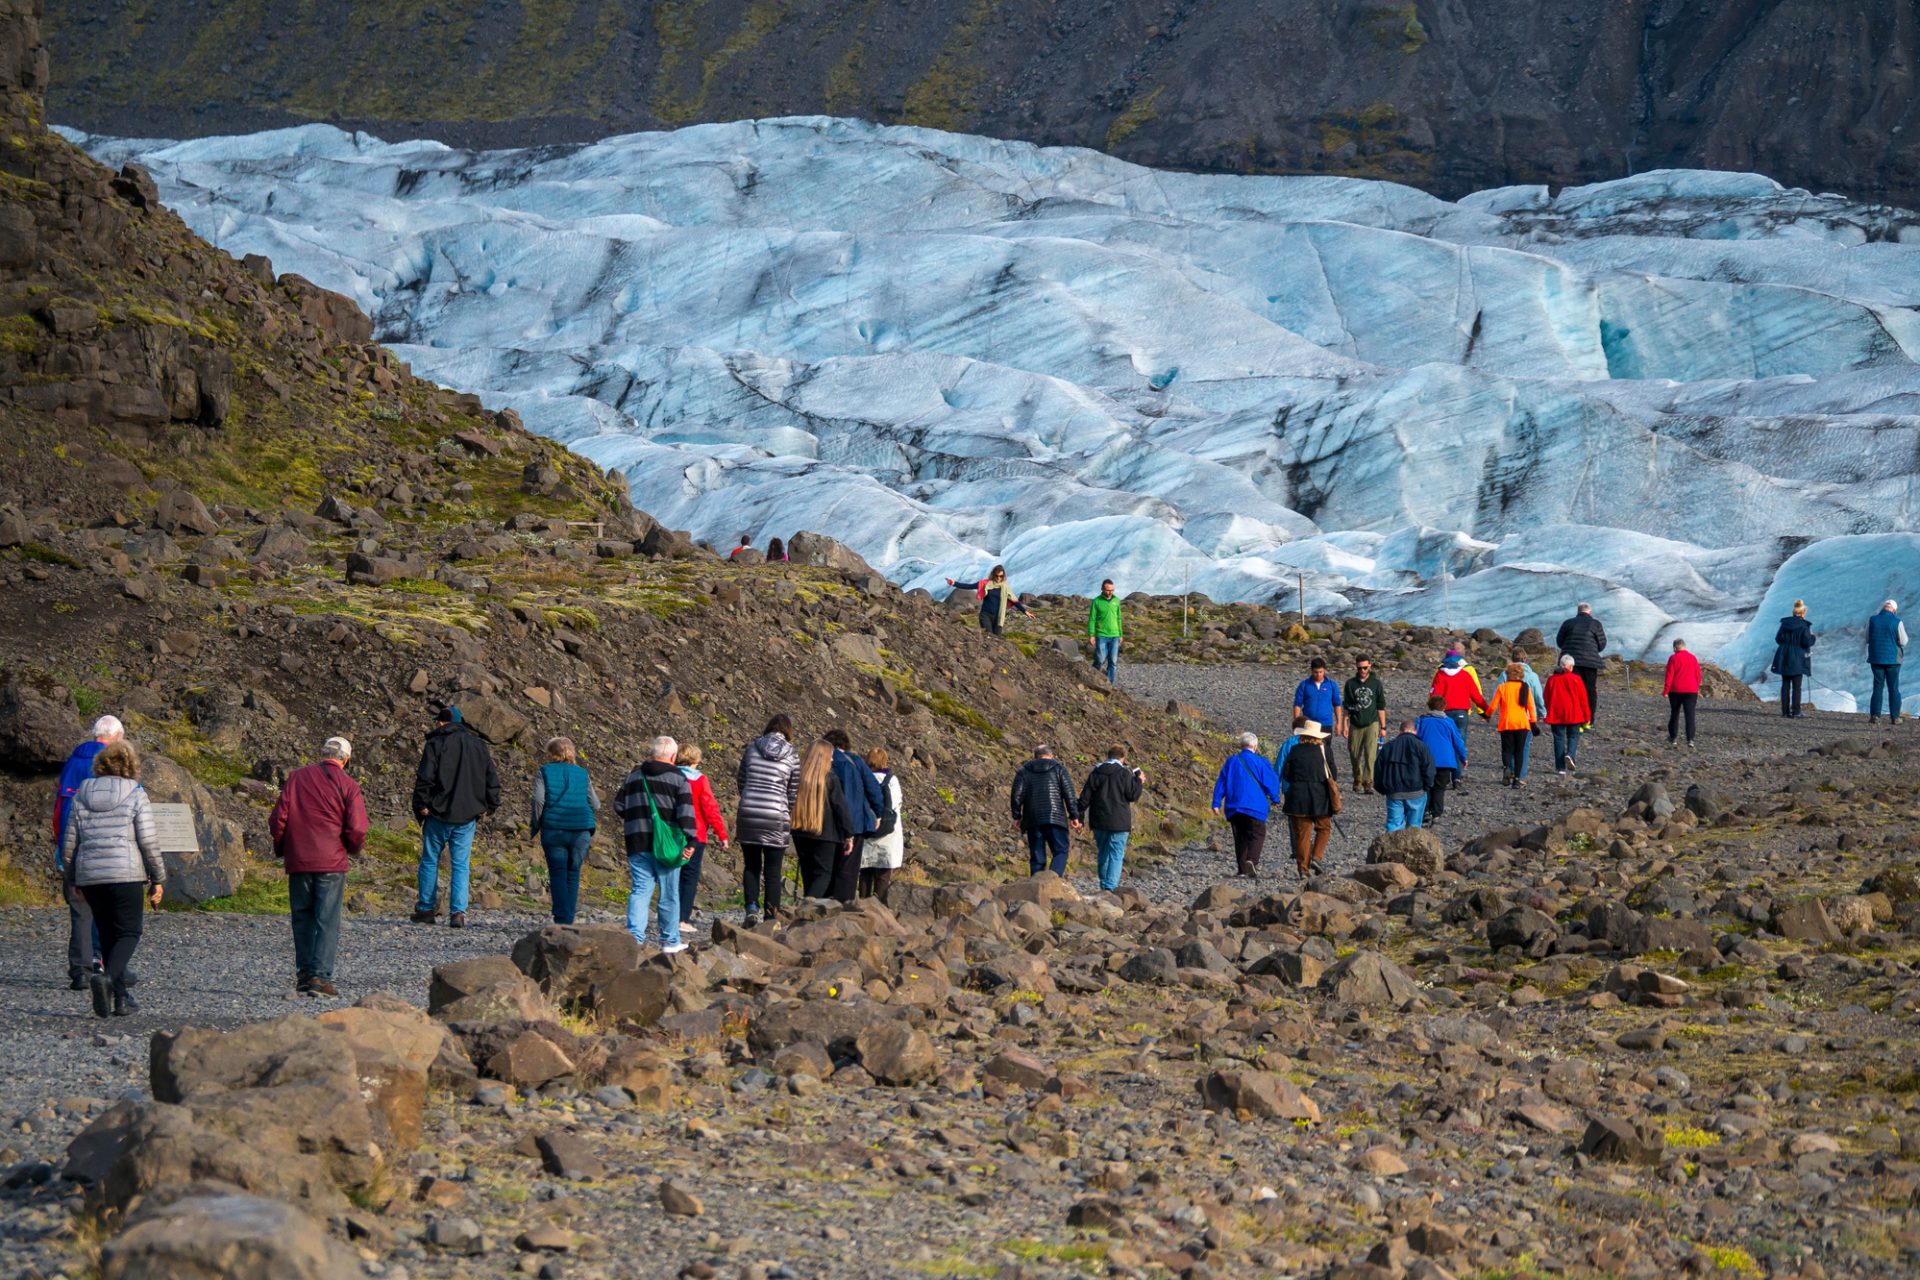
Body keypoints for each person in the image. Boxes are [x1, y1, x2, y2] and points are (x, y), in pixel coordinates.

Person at [59, 741, 163, 1017]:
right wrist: (158, 878)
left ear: (100, 765)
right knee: (129, 932)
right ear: (131, 766)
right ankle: (107, 979)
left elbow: (70, 843)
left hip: (90, 876)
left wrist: (72, 879)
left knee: (106, 935)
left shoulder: (81, 793)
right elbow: (149, 841)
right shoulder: (136, 793)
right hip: (125, 874)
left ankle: (120, 999)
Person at [269, 736, 369, 997]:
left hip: (299, 859)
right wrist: (352, 848)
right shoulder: (349, 785)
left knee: (302, 917)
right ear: (345, 759)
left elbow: (278, 818)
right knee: (326, 920)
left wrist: (283, 847)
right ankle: (320, 978)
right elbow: (357, 827)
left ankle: (303, 976)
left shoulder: (296, 778)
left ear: (323, 752)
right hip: (331, 861)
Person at [410, 706, 500, 929]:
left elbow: (425, 777)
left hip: (437, 814)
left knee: (430, 861)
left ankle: (426, 909)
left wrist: (421, 805)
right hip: (468, 815)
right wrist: (490, 805)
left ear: (442, 723)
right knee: (461, 865)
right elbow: (491, 778)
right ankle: (458, 913)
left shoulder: (435, 744)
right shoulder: (479, 746)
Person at [54, 714, 123, 990]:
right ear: (116, 737)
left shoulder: (73, 761)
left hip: (70, 842)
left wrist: (61, 844)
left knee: (80, 907)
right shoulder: (111, 763)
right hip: (103, 845)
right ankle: (102, 960)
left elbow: (59, 807)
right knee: (107, 905)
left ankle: (80, 969)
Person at [613, 736, 695, 952]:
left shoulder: (634, 776)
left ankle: (635, 939)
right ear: (673, 756)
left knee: (640, 889)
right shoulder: (678, 779)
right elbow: (686, 813)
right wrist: (691, 839)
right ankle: (669, 941)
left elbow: (619, 805)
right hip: (668, 846)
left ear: (652, 753)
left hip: (636, 840)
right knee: (669, 892)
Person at [735, 714, 801, 927]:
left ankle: (751, 909)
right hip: (776, 815)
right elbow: (792, 791)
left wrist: (749, 800)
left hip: (749, 813)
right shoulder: (792, 755)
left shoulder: (752, 748)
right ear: (788, 731)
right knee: (773, 870)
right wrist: (784, 808)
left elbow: (742, 780)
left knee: (751, 865)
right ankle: (770, 917)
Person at [531, 736, 599, 926]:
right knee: (573, 871)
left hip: (554, 828)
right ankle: (568, 918)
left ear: (551, 754)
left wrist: (537, 822)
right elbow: (595, 803)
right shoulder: (583, 773)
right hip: (581, 830)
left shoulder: (544, 771)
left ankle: (562, 917)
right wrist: (584, 815)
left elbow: (538, 800)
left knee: (557, 872)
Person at [823, 728, 883, 903]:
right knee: (848, 869)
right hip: (855, 822)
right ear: (845, 745)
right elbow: (873, 788)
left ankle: (822, 904)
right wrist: (878, 813)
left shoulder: (823, 759)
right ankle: (844, 905)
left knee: (827, 867)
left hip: (826, 823)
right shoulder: (855, 761)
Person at [792, 740, 854, 898]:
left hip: (800, 830)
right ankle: (807, 908)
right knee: (823, 874)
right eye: (831, 756)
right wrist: (849, 834)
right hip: (825, 834)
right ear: (824, 757)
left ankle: (808, 907)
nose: (832, 760)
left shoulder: (798, 777)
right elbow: (840, 808)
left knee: (808, 873)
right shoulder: (830, 779)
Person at [1213, 732, 1281, 877]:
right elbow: (1270, 781)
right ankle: (1252, 860)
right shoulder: (1261, 762)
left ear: (1240, 745)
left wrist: (1216, 803)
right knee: (1257, 833)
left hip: (1234, 806)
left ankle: (1242, 869)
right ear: (1255, 747)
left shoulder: (1231, 761)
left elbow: (1222, 782)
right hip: (1255, 806)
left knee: (1240, 837)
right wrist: (1275, 798)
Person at [677, 744, 727, 935]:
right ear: (695, 760)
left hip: (673, 833)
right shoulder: (699, 780)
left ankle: (669, 915)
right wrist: (721, 834)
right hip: (695, 833)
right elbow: (710, 808)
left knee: (672, 874)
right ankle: (682, 918)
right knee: (689, 876)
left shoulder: (669, 775)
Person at [1278, 720, 1339, 876]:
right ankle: (1316, 857)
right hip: (1320, 796)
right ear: (1318, 736)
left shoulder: (1295, 750)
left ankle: (1303, 868)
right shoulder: (1325, 750)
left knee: (1302, 834)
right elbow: (1334, 774)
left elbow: (1287, 774)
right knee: (1324, 828)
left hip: (1297, 797)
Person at [1079, 746, 1144, 891]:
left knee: (1103, 851)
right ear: (1123, 757)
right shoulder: (1124, 773)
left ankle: (1104, 883)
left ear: (1108, 756)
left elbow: (1084, 798)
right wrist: (1139, 782)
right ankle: (1109, 887)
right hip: (1119, 821)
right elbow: (1132, 795)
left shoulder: (1096, 772)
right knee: (1116, 854)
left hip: (1099, 820)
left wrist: (1078, 816)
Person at [1010, 744, 1081, 876]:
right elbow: (1069, 795)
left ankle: (1036, 885)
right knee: (1061, 851)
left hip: (1032, 819)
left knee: (1037, 856)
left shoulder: (1023, 771)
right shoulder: (1059, 769)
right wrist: (1074, 816)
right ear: (1051, 756)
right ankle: (1053, 879)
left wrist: (1017, 816)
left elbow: (1016, 796)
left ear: (1035, 757)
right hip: (1056, 817)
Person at [859, 748, 904, 903]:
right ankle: (879, 908)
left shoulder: (863, 778)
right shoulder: (891, 780)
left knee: (865, 873)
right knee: (883, 875)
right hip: (887, 833)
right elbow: (897, 804)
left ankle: (862, 907)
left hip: (867, 830)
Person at [1429, 648, 1487, 767]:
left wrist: (1432, 710)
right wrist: (1485, 710)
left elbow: (1434, 695)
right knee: (1459, 743)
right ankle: (1457, 777)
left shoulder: (1440, 675)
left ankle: (1445, 770)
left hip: (1444, 713)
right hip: (1462, 713)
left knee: (1444, 741)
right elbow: (1476, 696)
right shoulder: (1465, 675)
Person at [1414, 696, 1467, 823]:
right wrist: (1463, 757)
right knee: (1439, 788)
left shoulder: (1421, 720)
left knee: (1426, 786)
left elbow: (1415, 739)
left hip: (1426, 760)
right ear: (1444, 707)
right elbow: (1458, 741)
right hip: (1445, 761)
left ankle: (1425, 811)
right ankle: (1436, 813)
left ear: (1429, 706)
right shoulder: (1449, 722)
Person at [1374, 721, 1435, 832]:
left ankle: (1393, 848)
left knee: (1394, 825)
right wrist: (1427, 787)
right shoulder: (1421, 746)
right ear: (1414, 731)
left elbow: (1378, 770)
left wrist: (1383, 789)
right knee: (1414, 827)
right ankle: (1413, 848)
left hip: (1394, 792)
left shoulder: (1388, 747)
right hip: (1416, 791)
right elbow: (1429, 769)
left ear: (1400, 731)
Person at [1555, 602, 1607, 725]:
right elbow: (1602, 644)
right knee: (1590, 690)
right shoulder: (1596, 624)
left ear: (1578, 612)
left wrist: (1568, 650)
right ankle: (1589, 720)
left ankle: (1572, 718)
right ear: (1590, 612)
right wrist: (1593, 651)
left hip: (1571, 662)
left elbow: (1559, 641)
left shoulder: (1568, 623)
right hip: (1590, 662)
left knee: (1571, 690)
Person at [1343, 658, 1386, 794]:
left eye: (1365, 668)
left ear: (1370, 667)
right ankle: (1357, 778)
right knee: (1354, 753)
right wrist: (1344, 724)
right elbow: (1346, 706)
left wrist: (1383, 727)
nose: (1362, 670)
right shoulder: (1350, 684)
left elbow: (1380, 706)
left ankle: (1368, 782)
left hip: (1372, 723)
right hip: (1355, 723)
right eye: (1360, 668)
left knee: (1370, 754)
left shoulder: (1376, 684)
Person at [1543, 655, 1592, 774]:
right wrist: (1587, 717)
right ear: (1570, 667)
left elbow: (1546, 697)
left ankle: (1560, 768)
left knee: (1558, 739)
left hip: (1557, 714)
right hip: (1573, 714)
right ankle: (1570, 754)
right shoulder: (1576, 679)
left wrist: (1546, 711)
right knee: (1573, 736)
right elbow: (1583, 700)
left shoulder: (1552, 679)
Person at [947, 565, 1028, 635]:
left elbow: (1014, 600)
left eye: (1001, 576)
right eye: (997, 576)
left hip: (998, 617)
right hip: (985, 615)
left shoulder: (1005, 587)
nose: (998, 578)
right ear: (993, 575)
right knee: (989, 636)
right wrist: (954, 583)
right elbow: (969, 586)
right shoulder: (985, 584)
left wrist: (1025, 612)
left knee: (997, 639)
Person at [1772, 600, 1815, 718]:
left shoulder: (1784, 624)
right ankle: (1796, 711)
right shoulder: (1804, 626)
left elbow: (1778, 639)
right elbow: (1807, 642)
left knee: (1785, 684)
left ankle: (1785, 712)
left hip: (1784, 656)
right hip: (1798, 657)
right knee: (1797, 686)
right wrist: (1813, 637)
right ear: (1803, 612)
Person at [1868, 599, 1908, 724]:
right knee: (1893, 688)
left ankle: (1875, 716)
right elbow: (1903, 641)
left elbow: (1866, 638)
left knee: (1878, 687)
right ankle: (1895, 717)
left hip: (1876, 658)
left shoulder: (1873, 619)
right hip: (1893, 660)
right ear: (1894, 610)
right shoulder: (1897, 621)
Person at [1664, 639, 1702, 747]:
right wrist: (1695, 686)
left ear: (1674, 648)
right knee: (1690, 715)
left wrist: (1666, 690)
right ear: (1684, 646)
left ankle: (1673, 738)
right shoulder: (1693, 658)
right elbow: (1698, 675)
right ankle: (1690, 740)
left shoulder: (1673, 658)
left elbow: (1669, 675)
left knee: (1675, 713)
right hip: (1691, 691)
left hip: (1675, 690)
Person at [1293, 659, 1344, 739]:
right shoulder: (1304, 685)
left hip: (1325, 724)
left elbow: (1337, 705)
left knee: (1325, 750)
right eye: (1316, 672)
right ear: (1312, 671)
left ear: (1324, 671)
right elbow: (1297, 705)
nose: (1318, 674)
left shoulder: (1331, 685)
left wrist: (1339, 723)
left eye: (1321, 672)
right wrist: (1297, 724)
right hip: (1308, 725)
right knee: (1309, 749)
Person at [1088, 579, 1123, 684]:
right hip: (1101, 635)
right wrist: (1091, 635)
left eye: (1112, 590)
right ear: (1102, 589)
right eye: (1108, 590)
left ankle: (1109, 684)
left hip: (1115, 635)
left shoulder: (1116, 601)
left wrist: (1120, 634)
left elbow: (1119, 618)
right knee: (1101, 658)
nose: (1110, 592)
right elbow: (1092, 619)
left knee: (1113, 661)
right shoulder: (1096, 601)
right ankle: (1092, 673)